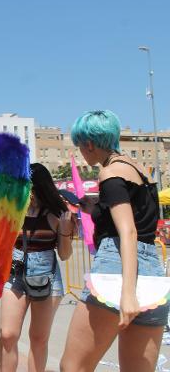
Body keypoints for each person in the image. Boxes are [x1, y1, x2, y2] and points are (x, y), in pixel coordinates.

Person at [61, 110, 169, 372]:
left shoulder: (109, 173)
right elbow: (138, 218)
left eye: (80, 147)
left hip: (117, 271)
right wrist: (95, 206)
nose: (83, 155)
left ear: (89, 143)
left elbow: (128, 232)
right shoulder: (141, 172)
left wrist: (128, 294)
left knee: (72, 367)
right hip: (152, 275)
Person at [0, 162, 75, 372]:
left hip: (48, 280)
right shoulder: (13, 210)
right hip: (15, 276)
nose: (25, 192)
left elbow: (65, 255)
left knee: (39, 338)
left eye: (28, 187)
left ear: (39, 188)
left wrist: (66, 231)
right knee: (7, 334)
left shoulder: (56, 214)